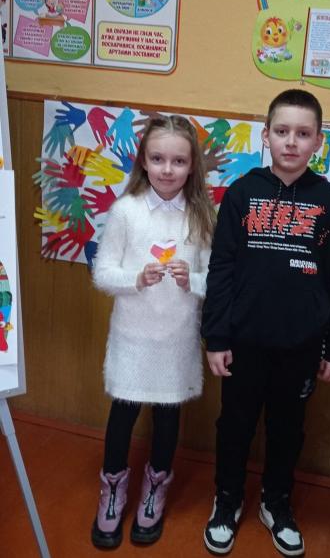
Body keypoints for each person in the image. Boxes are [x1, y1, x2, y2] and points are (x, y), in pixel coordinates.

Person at [201, 89, 330, 556]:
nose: (291, 141)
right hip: (243, 341)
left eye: (303, 134)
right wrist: (215, 337)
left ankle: (276, 502)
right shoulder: (241, 194)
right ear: (265, 135)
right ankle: (227, 500)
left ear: (318, 141)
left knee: (288, 429)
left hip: (301, 346)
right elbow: (221, 269)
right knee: (235, 425)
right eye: (282, 131)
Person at [91, 115, 216, 549]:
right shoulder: (125, 211)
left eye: (178, 161)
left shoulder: (201, 216)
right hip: (132, 337)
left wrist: (191, 280)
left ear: (192, 165)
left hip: (177, 339)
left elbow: (214, 280)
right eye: (158, 158)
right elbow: (103, 273)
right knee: (122, 414)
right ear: (143, 161)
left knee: (167, 417)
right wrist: (136, 278)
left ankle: (155, 489)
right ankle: (111, 489)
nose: (167, 169)